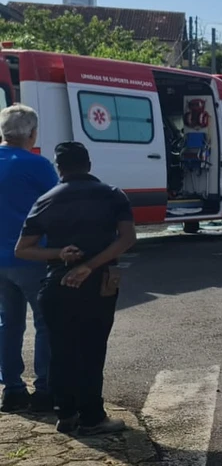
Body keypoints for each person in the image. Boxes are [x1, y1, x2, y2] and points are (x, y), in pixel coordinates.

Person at [15, 142, 136, 434]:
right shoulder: (113, 195)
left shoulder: (46, 199)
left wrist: (58, 253)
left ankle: (65, 414)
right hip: (99, 284)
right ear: (89, 164)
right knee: (92, 351)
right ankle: (93, 417)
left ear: (59, 168)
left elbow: (23, 249)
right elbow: (127, 238)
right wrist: (89, 266)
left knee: (61, 350)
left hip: (57, 284)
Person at [0, 105, 58, 412]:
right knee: (45, 323)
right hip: (31, 257)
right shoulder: (38, 166)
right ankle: (45, 389)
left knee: (9, 323)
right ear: (32, 133)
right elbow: (58, 203)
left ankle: (12, 390)